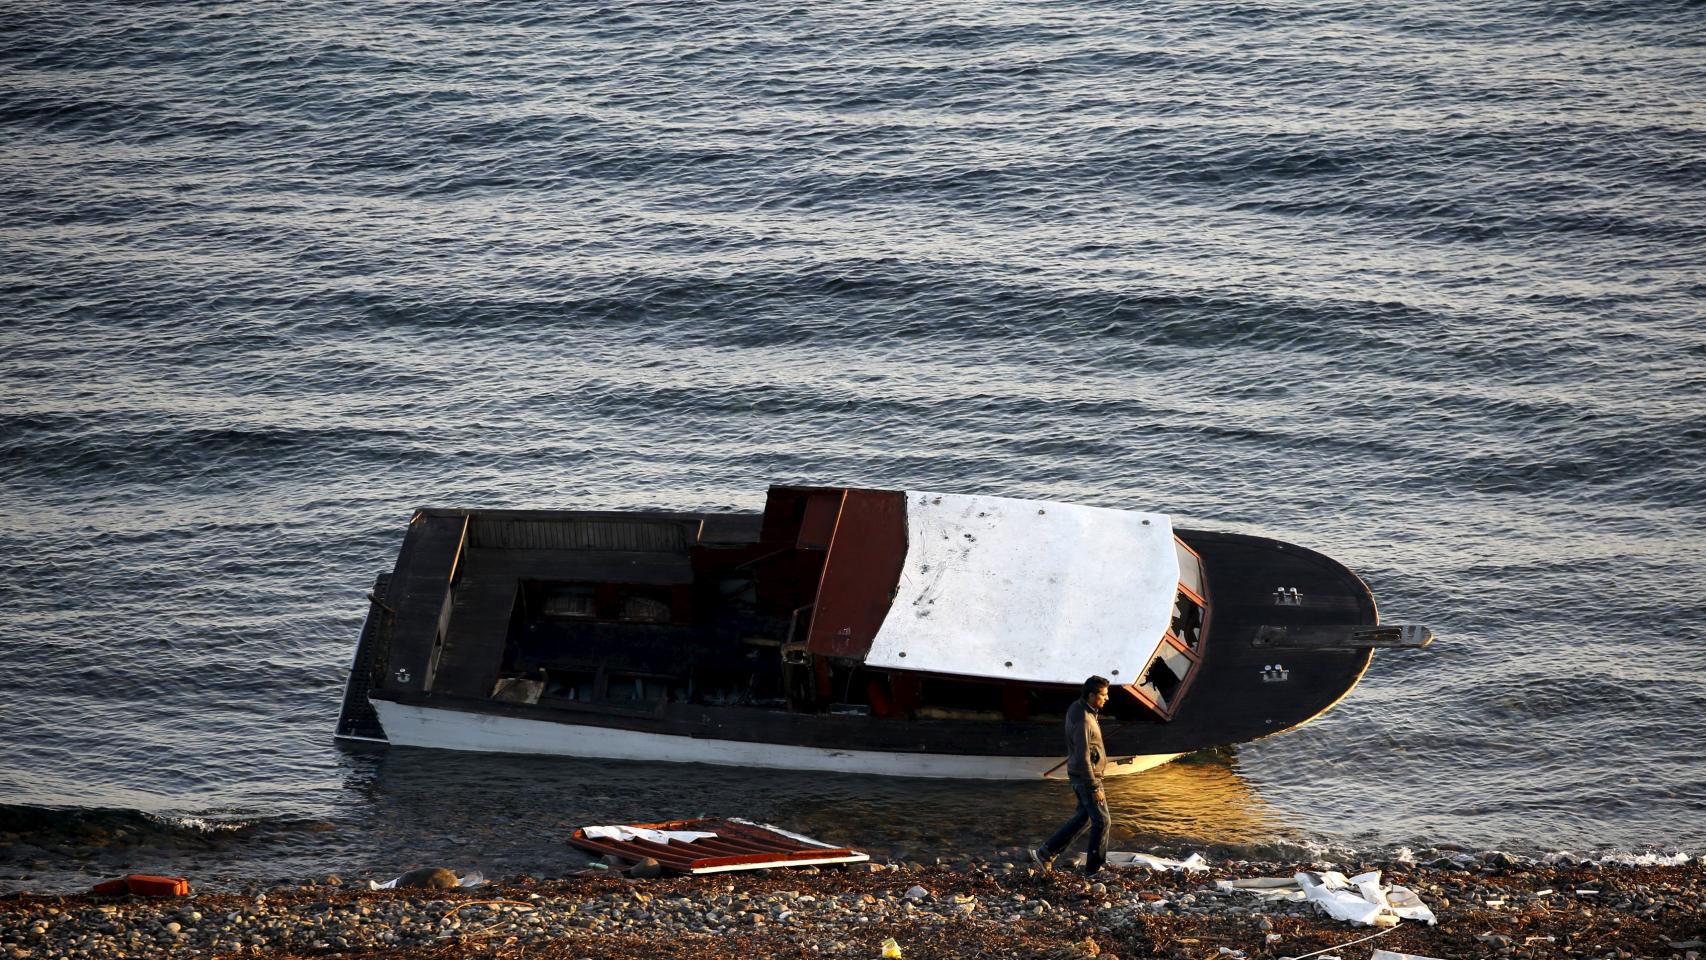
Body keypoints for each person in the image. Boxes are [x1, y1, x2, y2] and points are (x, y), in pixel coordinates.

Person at [1030, 675, 1111, 874]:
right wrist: (1093, 787)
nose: (1106, 698)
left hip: (1079, 775)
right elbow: (1083, 756)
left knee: (1084, 817)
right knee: (1102, 821)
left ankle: (1046, 853)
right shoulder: (1083, 718)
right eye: (1104, 695)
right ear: (1092, 695)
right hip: (1087, 777)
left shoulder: (1080, 708)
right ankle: (1094, 869)